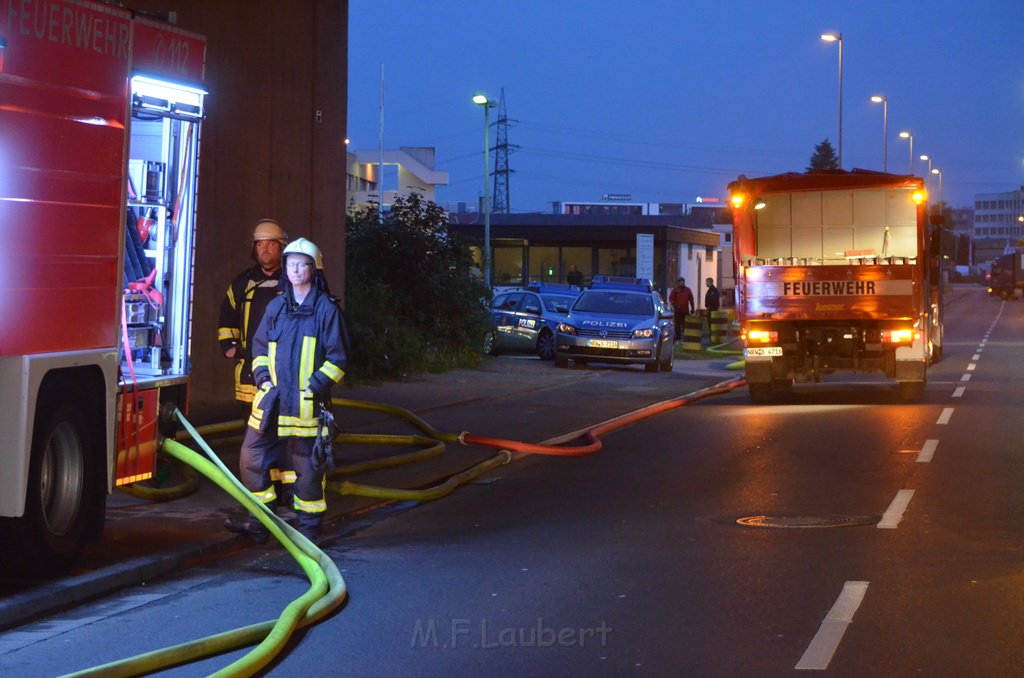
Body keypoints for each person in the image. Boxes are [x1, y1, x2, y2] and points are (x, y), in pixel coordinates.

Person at [232, 237, 347, 545]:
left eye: (302, 264)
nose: (295, 269)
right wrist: (263, 379)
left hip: (306, 405)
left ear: (315, 268)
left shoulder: (326, 310)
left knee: (306, 469)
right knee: (251, 457)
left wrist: (314, 387)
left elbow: (338, 359)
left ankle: (309, 532)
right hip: (271, 400)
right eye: (290, 263)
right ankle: (262, 521)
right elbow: (258, 348)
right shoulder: (276, 307)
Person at [218, 219, 296, 510]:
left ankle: (286, 490)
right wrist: (229, 346)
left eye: (271, 244)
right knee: (254, 434)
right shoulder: (242, 283)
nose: (265, 249)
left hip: (285, 374)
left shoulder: (293, 281)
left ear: (281, 247)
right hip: (250, 376)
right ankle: (261, 491)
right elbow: (226, 316)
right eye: (260, 244)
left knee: (283, 432)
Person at [668, 277, 695, 341]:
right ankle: (678, 337)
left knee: (685, 325)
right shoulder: (675, 290)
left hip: (685, 311)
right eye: (680, 281)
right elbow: (671, 299)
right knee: (677, 325)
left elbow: (691, 299)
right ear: (678, 283)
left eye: (683, 281)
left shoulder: (687, 290)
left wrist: (693, 308)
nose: (682, 283)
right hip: (678, 311)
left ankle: (686, 338)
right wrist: (674, 305)